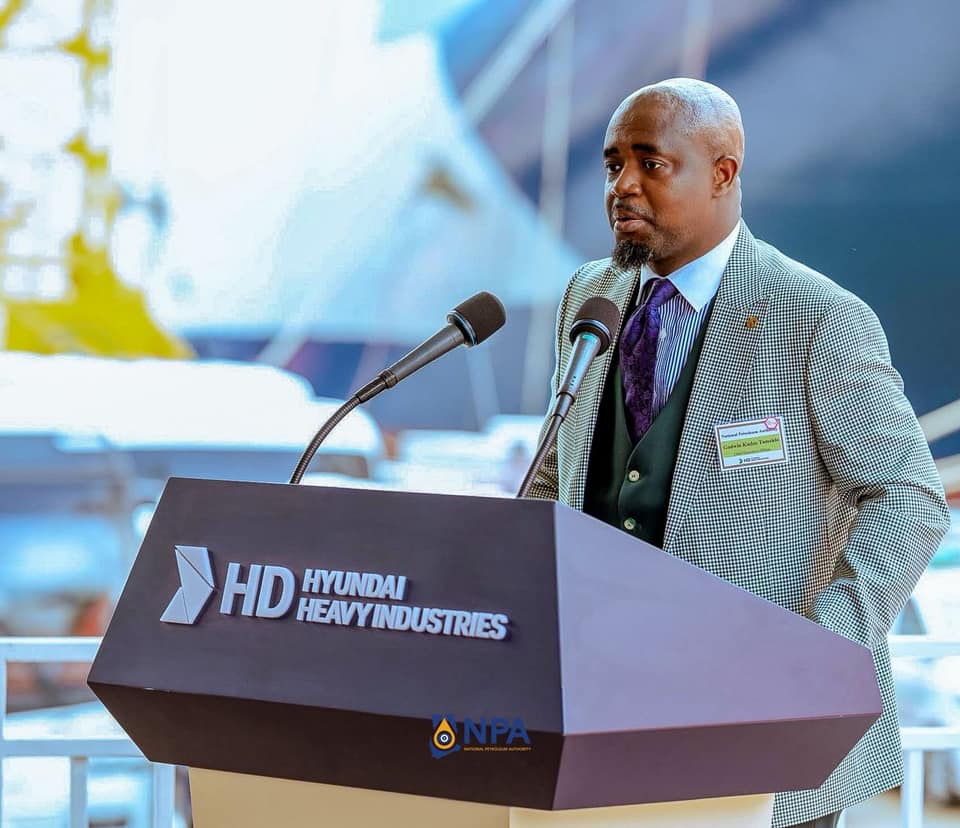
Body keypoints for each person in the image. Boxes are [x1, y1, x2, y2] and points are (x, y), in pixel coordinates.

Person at [527, 78, 950, 828]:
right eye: (613, 164)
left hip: (762, 727)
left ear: (723, 173)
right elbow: (556, 471)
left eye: (651, 163)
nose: (622, 186)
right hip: (597, 708)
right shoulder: (589, 295)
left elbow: (908, 498)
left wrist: (822, 648)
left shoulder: (818, 316)